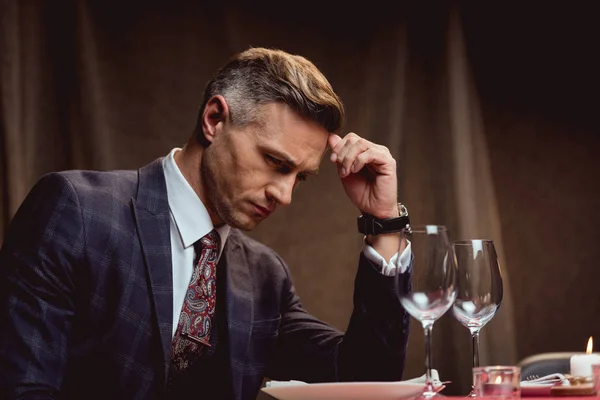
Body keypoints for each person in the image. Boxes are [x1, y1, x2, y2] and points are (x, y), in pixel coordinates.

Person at [0, 47, 412, 400]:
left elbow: (365, 380)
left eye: (299, 177)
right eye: (274, 162)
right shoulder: (78, 211)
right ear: (215, 119)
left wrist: (383, 222)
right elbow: (22, 387)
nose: (284, 195)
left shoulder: (265, 276)